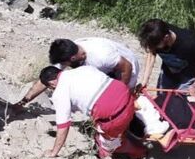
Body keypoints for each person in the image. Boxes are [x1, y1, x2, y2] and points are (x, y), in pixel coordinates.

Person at [39, 65, 146, 159]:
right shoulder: (84, 68)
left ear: (51, 83)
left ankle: (137, 152)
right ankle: (125, 133)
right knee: (107, 124)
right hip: (128, 97)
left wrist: (54, 152)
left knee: (105, 148)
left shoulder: (59, 92)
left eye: (50, 87)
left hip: (114, 115)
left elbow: (63, 126)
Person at [12, 37, 140, 110]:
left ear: (72, 59)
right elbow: (46, 79)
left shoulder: (101, 55)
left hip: (126, 69)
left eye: (65, 64)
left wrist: (119, 91)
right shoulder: (68, 52)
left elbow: (126, 67)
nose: (63, 67)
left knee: (120, 103)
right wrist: (23, 102)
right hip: (104, 71)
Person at [137, 19, 195, 94]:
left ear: (166, 38)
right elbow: (151, 54)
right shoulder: (155, 35)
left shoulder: (189, 43)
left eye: (155, 46)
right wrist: (144, 81)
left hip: (187, 77)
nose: (153, 48)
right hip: (168, 74)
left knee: (180, 104)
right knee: (161, 100)